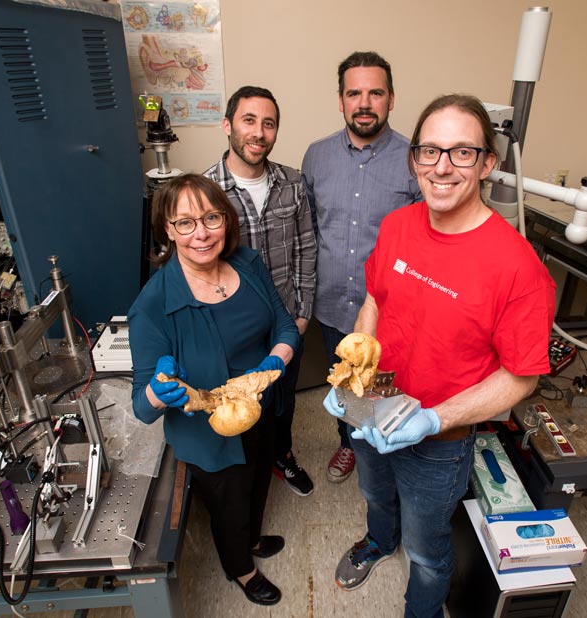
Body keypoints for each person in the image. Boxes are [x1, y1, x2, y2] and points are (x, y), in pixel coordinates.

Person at [323, 94, 556, 618]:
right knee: (375, 495)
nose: (441, 167)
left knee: (427, 550)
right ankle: (379, 543)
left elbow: (522, 377)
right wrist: (354, 381)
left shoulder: (517, 267)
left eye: (461, 152)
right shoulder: (398, 225)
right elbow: (376, 300)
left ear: (488, 163)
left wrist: (432, 419)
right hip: (372, 402)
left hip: (437, 436)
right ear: (414, 159)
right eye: (429, 151)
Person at [128, 174, 299, 606]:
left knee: (260, 480)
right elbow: (142, 408)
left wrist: (272, 363)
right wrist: (157, 390)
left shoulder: (247, 263)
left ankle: (251, 539)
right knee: (229, 502)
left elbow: (284, 325)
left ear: (226, 219)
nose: (201, 233)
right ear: (168, 229)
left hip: (259, 407)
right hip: (209, 435)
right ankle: (240, 568)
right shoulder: (152, 305)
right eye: (185, 223)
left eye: (210, 218)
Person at [301, 51, 421, 483]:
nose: (364, 103)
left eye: (376, 92)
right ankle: (350, 443)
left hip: (394, 310)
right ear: (340, 100)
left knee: (391, 388)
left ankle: (391, 452)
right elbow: (310, 227)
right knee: (348, 387)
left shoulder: (417, 159)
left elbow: (427, 241)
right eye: (355, 93)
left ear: (392, 98)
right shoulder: (316, 157)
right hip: (333, 305)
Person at [204, 86, 317, 497]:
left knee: (282, 403)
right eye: (249, 120)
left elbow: (307, 249)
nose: (259, 132)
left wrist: (302, 315)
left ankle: (281, 456)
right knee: (241, 408)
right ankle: (244, 477)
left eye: (268, 123)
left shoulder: (293, 184)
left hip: (286, 324)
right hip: (235, 332)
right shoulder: (204, 192)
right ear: (228, 125)